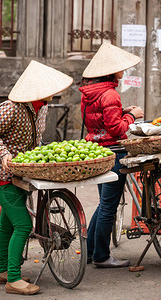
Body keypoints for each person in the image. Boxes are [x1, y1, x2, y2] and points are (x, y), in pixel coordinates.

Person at [0, 60, 73, 295]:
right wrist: (3, 154)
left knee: (8, 225)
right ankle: (13, 279)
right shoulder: (11, 107)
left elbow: (36, 140)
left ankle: (2, 271)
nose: (55, 93)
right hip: (3, 177)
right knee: (23, 224)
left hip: (22, 176)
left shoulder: (42, 107)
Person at [79, 43, 144, 268]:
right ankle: (102, 256)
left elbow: (99, 120)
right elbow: (116, 129)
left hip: (97, 151)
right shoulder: (110, 94)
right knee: (109, 205)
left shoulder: (90, 92)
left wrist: (121, 112)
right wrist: (132, 116)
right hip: (114, 152)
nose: (123, 71)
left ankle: (90, 251)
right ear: (110, 71)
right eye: (120, 68)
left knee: (104, 203)